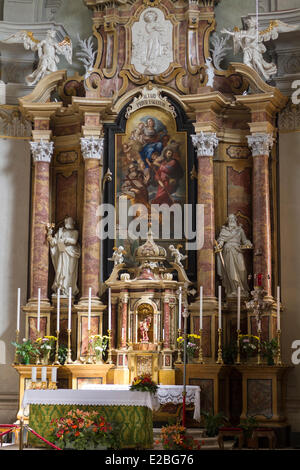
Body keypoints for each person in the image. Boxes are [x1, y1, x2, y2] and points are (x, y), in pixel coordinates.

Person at [215, 214, 253, 296]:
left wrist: (248, 243)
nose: (231, 220)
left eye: (233, 219)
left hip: (238, 251)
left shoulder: (240, 230)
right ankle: (234, 290)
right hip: (228, 251)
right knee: (231, 271)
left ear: (236, 220)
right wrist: (219, 245)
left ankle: (243, 289)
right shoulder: (224, 231)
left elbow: (245, 240)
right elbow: (221, 240)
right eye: (230, 219)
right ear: (228, 221)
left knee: (242, 270)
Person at [48, 216, 81, 296]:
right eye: (66, 222)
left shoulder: (75, 232)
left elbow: (74, 241)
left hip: (71, 254)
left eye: (69, 222)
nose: (67, 223)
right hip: (62, 253)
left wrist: (65, 240)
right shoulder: (60, 231)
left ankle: (67, 289)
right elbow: (54, 242)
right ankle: (60, 287)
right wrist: (50, 235)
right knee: (60, 270)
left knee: (69, 272)